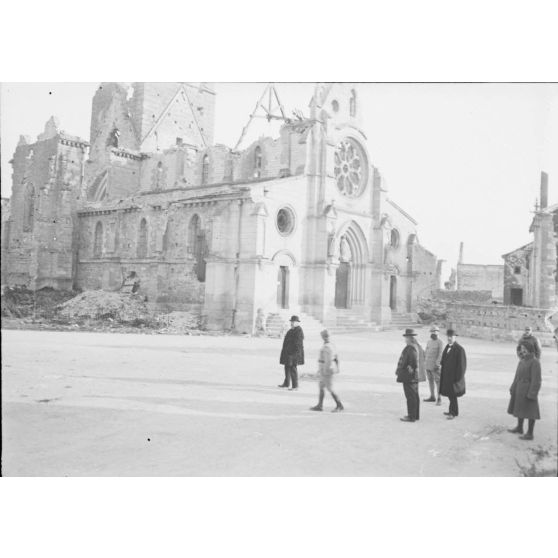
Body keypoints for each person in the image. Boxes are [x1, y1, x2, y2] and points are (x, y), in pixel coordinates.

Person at [507, 340, 542, 440]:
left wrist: (532, 393)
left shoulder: (535, 362)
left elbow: (537, 380)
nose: (523, 351)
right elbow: (516, 376)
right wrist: (513, 387)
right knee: (519, 408)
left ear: (530, 349)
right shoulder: (521, 361)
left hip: (529, 390)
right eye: (521, 349)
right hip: (519, 390)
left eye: (525, 349)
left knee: (531, 412)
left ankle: (530, 433)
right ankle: (519, 428)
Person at [310, 329, 344, 412]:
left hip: (326, 369)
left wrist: (325, 371)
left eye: (324, 336)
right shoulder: (331, 345)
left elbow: (328, 361)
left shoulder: (327, 347)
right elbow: (336, 358)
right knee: (321, 387)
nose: (323, 338)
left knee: (330, 388)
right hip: (324, 368)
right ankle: (320, 405)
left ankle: (339, 405)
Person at [439, 329, 467, 420]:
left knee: (453, 395)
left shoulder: (459, 349)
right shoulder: (447, 347)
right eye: (448, 336)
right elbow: (443, 359)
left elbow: (462, 366)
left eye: (451, 337)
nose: (449, 338)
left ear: (455, 337)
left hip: (454, 378)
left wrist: (457, 378)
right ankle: (452, 410)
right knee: (450, 395)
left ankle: (453, 412)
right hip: (447, 376)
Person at [395, 328, 420, 422]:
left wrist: (410, 369)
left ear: (410, 338)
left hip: (410, 377)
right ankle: (415, 415)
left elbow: (413, 362)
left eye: (406, 337)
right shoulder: (415, 346)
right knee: (414, 396)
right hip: (413, 376)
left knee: (411, 397)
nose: (405, 339)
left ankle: (411, 416)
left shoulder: (411, 348)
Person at [278, 315, 304, 390]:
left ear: (297, 323)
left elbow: (298, 344)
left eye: (294, 322)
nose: (292, 323)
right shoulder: (291, 330)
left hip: (294, 354)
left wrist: (293, 352)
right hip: (288, 353)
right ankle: (286, 383)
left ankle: (295, 386)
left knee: (293, 369)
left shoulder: (299, 331)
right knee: (287, 367)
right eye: (291, 322)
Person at [424, 325, 444, 405]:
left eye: (435, 331)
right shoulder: (429, 341)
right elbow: (426, 352)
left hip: (435, 366)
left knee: (438, 382)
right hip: (428, 364)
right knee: (430, 381)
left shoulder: (440, 342)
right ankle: (432, 396)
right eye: (432, 331)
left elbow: (440, 354)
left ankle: (439, 398)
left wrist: (437, 363)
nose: (434, 333)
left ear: (438, 332)